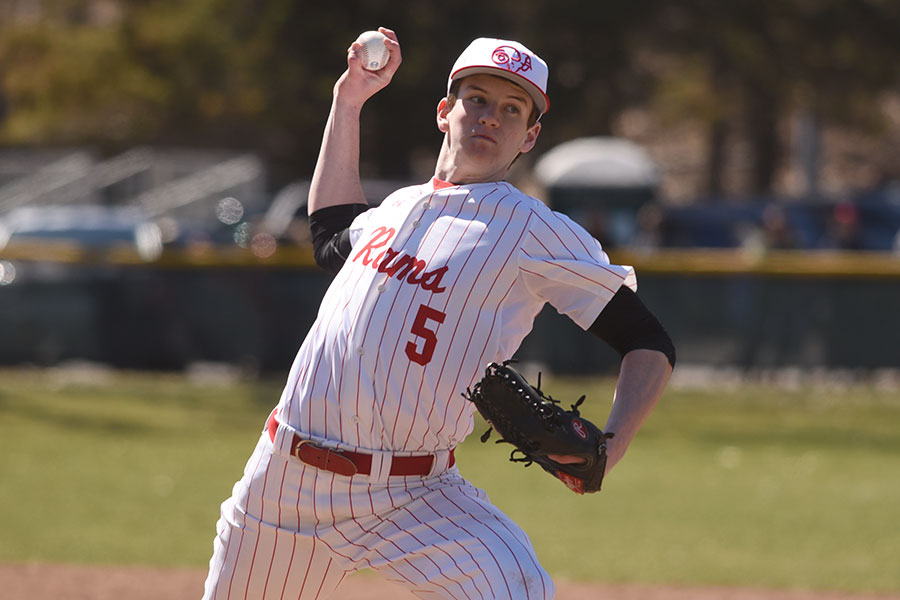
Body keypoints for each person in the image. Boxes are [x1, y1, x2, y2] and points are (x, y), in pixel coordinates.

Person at [203, 28, 675, 600]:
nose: (490, 118)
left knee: (520, 591)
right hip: (285, 482)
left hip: (416, 495)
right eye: (477, 99)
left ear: (530, 136)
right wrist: (347, 101)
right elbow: (330, 235)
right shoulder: (397, 206)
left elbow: (646, 339)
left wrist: (612, 445)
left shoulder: (534, 231)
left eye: (511, 108)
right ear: (445, 111)